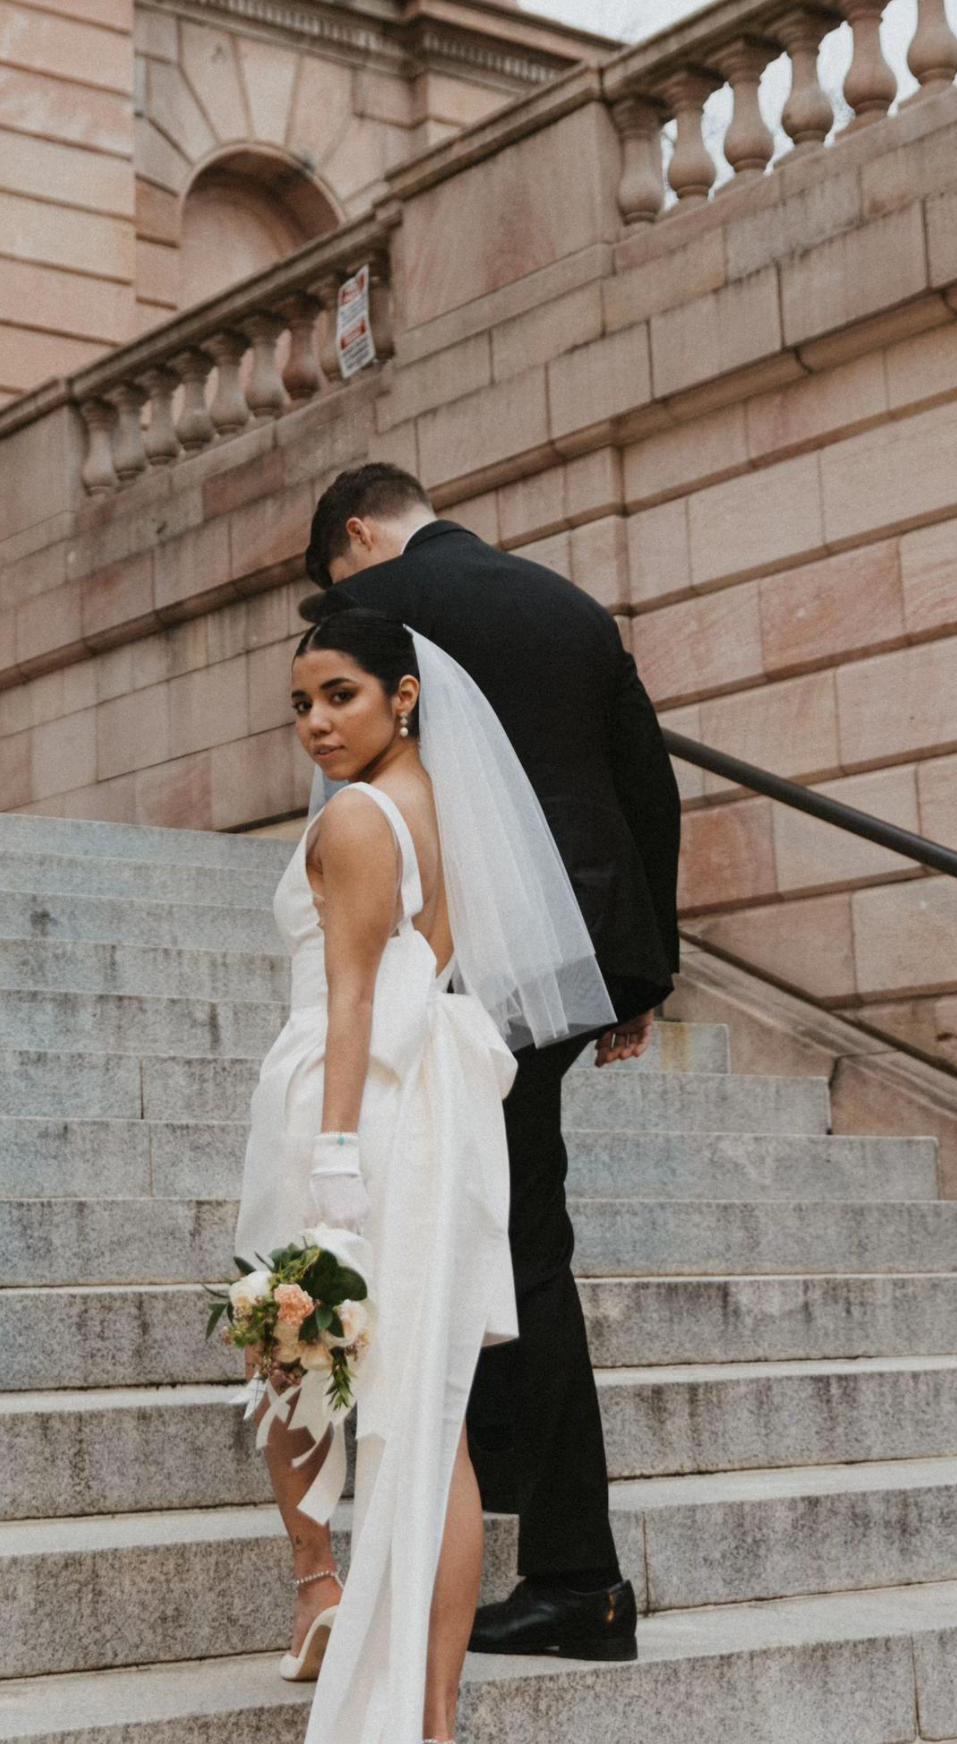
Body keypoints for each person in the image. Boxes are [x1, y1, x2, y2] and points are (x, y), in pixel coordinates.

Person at [235, 608, 615, 1744]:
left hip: (354, 1112)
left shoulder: (349, 828)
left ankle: (318, 1581)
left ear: (402, 695)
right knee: (431, 1409)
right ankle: (435, 1739)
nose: (316, 723)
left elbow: (346, 997)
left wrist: (329, 1161)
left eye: (339, 695)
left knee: (293, 1340)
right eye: (298, 704)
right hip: (445, 1116)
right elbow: (436, 971)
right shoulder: (444, 806)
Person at [299, 463, 682, 1664]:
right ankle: (513, 1501)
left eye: (336, 575)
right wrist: (640, 974)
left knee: (515, 1240)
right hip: (576, 958)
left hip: (459, 963)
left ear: (357, 532)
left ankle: (577, 1573)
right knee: (515, 1221)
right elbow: (648, 786)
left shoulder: (380, 613)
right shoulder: (566, 601)